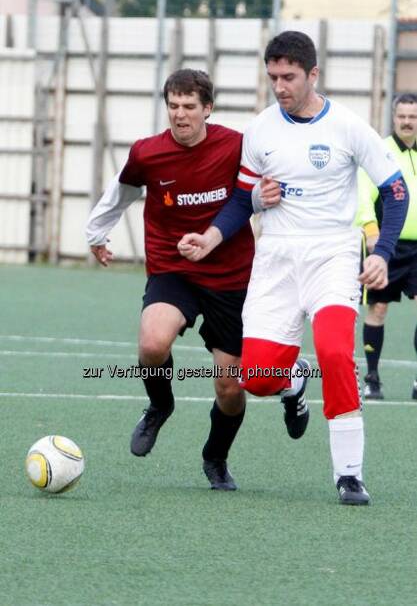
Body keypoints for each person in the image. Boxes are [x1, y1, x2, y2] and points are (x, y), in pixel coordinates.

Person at [178, 31, 409, 505]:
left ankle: (349, 475)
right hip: (277, 259)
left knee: (335, 351)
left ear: (312, 75)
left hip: (332, 255)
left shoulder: (346, 126)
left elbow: (396, 190)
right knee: (258, 379)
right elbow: (243, 198)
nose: (280, 86)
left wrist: (382, 252)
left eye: (289, 77)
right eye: (273, 77)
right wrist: (213, 236)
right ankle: (293, 379)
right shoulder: (261, 129)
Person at [85, 69, 256, 491]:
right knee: (151, 343)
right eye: (173, 106)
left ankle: (215, 459)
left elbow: (257, 192)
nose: (179, 115)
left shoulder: (237, 146)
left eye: (189, 107)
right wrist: (96, 234)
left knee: (230, 386)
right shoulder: (148, 153)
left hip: (230, 276)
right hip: (172, 269)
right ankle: (159, 406)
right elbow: (120, 194)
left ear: (207, 109)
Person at [356, 93, 417, 400]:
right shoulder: (380, 151)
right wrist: (370, 229)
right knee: (378, 309)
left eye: (413, 116)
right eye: (402, 115)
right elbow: (363, 192)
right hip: (386, 247)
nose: (407, 121)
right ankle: (372, 378)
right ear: (394, 117)